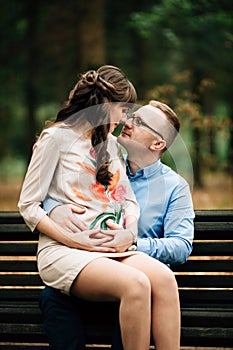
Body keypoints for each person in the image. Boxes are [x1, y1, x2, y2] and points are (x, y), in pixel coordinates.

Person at [18, 66, 181, 350]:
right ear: (106, 105)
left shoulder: (111, 143)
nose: (125, 118)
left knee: (164, 279)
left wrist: (128, 234)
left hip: (108, 249)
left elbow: (128, 200)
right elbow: (28, 205)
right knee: (136, 285)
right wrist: (73, 238)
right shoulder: (55, 139)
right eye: (123, 109)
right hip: (65, 251)